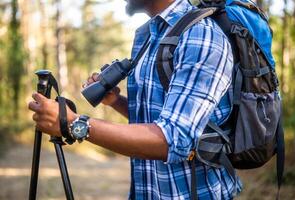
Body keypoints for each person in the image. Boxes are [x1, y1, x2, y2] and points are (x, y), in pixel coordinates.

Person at [28, 0, 242, 199]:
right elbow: (160, 116)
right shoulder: (149, 35)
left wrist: (74, 124)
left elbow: (173, 139)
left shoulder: (199, 36)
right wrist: (116, 101)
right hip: (148, 191)